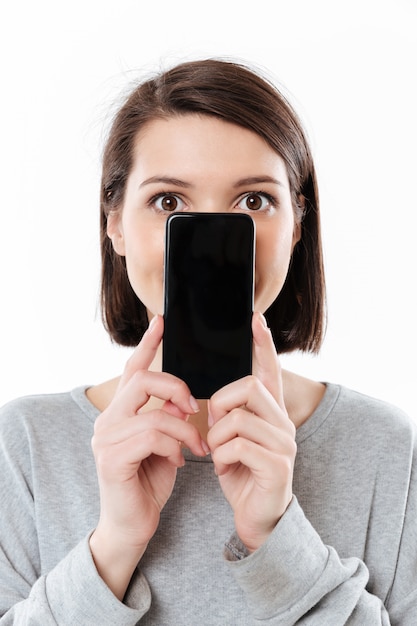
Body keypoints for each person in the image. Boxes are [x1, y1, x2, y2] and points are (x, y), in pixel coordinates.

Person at [0, 58, 415, 625]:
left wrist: (276, 535)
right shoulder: (24, 447)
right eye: (169, 202)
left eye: (253, 201)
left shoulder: (385, 448)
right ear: (115, 224)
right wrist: (115, 541)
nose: (215, 245)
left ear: (297, 223)